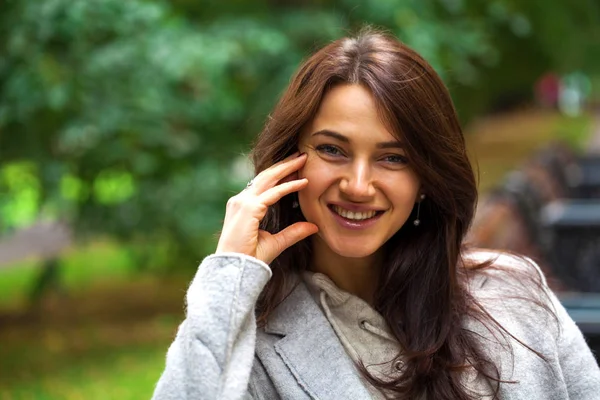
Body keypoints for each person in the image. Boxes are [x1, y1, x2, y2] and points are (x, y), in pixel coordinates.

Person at [151, 29, 600, 400]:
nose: (359, 186)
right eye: (332, 150)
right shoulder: (247, 347)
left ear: (426, 178)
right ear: (286, 161)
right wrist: (230, 271)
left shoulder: (516, 294)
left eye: (392, 158)